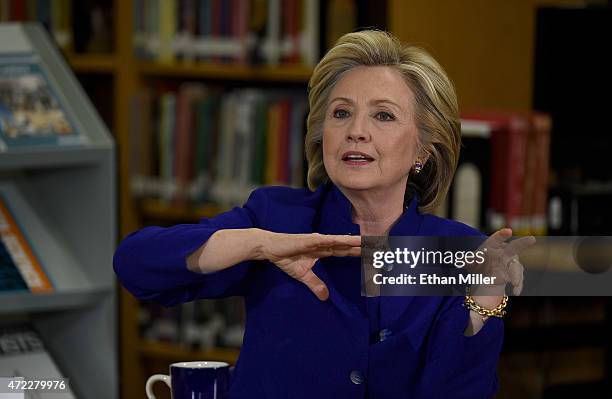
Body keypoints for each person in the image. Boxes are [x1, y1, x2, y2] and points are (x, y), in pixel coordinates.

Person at [114, 30, 531, 398]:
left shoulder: (457, 252)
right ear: (322, 132)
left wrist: (482, 308)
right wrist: (256, 243)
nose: (356, 130)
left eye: (383, 115)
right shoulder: (276, 217)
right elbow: (136, 265)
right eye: (341, 112)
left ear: (423, 149)